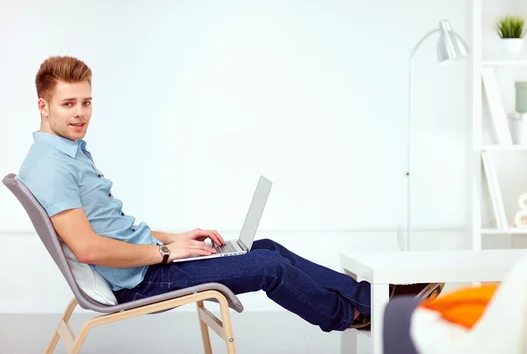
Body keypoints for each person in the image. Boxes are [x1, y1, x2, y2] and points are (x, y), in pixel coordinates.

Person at [17, 55, 441, 332]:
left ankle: (374, 299)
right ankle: (354, 315)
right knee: (269, 267)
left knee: (266, 246)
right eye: (69, 104)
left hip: (149, 260)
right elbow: (89, 249)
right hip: (142, 280)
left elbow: (111, 226)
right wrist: (166, 255)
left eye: (86, 103)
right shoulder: (52, 166)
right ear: (43, 106)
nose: (80, 113)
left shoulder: (68, 151)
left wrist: (176, 238)